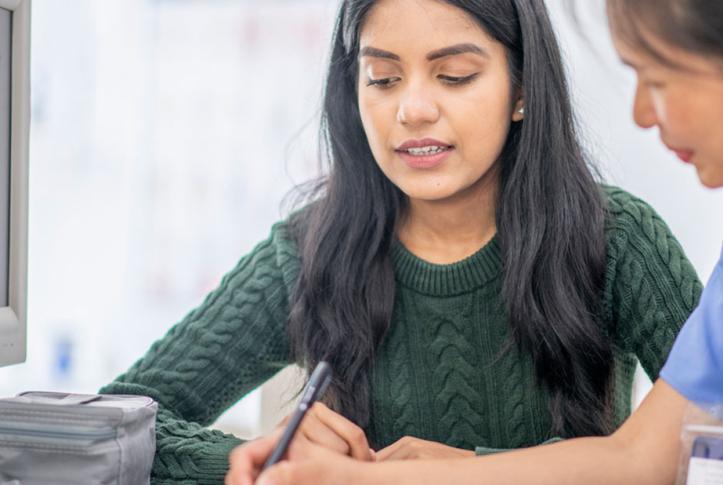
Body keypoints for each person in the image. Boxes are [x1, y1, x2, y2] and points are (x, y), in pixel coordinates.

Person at [100, 0, 700, 483]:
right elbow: (116, 421)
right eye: (382, 78)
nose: (412, 110)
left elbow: (700, 449)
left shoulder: (616, 238)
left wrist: (467, 472)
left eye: (454, 76)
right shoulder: (310, 252)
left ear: (522, 90)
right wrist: (272, 460)